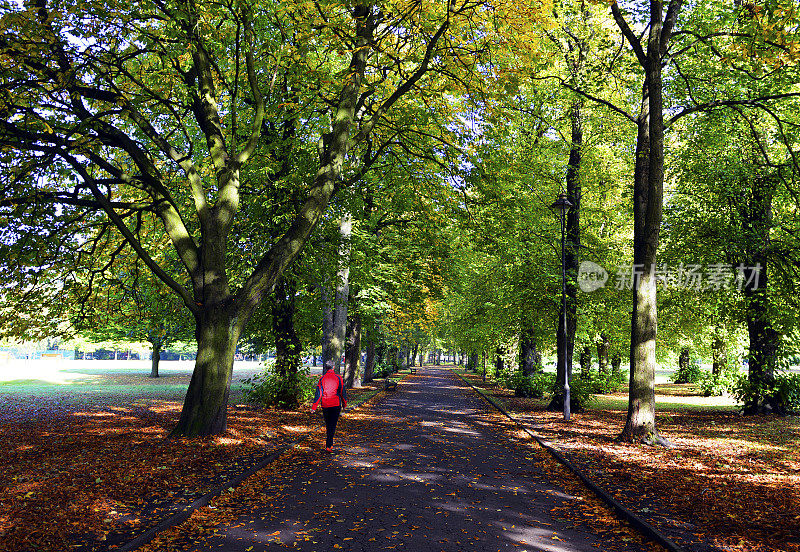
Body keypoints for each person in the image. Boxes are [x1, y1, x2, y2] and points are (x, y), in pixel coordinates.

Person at [311, 366, 347, 453]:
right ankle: (329, 445)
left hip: (326, 404)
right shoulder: (338, 378)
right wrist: (344, 404)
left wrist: (314, 407)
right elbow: (342, 391)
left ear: (326, 368)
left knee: (328, 425)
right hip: (335, 404)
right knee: (333, 425)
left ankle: (328, 444)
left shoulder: (322, 378)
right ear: (334, 367)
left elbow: (319, 392)